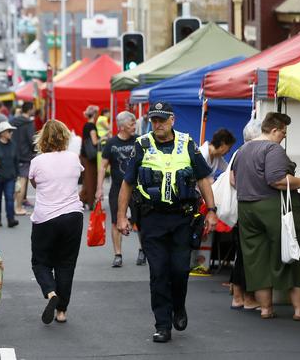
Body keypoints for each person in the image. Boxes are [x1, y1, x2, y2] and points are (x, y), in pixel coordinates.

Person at [116, 102, 217, 343]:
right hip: (152, 219)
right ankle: (162, 324)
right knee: (159, 272)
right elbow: (127, 183)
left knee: (180, 270)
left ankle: (178, 307)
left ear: (172, 120)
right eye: (154, 120)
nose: (157, 124)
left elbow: (203, 178)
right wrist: (121, 216)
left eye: (162, 119)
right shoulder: (142, 145)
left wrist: (211, 210)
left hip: (182, 218)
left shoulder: (187, 143)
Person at [232, 112, 300, 321]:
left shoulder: (242, 150)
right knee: (293, 253)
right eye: (283, 133)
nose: (283, 137)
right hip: (274, 207)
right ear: (274, 130)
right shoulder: (272, 148)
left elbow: (233, 180)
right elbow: (277, 180)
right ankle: (299, 310)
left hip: (246, 209)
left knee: (256, 259)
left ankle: (266, 309)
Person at [29, 120, 84, 324]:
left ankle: (51, 293)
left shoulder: (37, 161)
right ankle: (62, 311)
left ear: (42, 139)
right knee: (66, 264)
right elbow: (78, 175)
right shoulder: (73, 158)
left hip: (46, 218)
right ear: (65, 137)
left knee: (41, 262)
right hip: (72, 215)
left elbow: (34, 184)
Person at [95, 111, 146, 267]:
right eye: (131, 124)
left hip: (137, 188)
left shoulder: (139, 141)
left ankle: (142, 251)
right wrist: (99, 189)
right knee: (116, 221)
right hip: (117, 188)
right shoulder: (111, 143)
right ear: (122, 126)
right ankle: (118, 254)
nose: (134, 126)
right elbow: (103, 167)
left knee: (141, 221)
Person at [189, 128, 237, 276]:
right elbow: (193, 177)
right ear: (222, 144)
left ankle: (199, 263)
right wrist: (208, 181)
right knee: (194, 231)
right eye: (228, 148)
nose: (227, 152)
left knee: (202, 231)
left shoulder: (217, 158)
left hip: (203, 198)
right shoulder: (201, 153)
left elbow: (228, 169)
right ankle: (192, 263)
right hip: (193, 197)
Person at [229, 118, 261, 310]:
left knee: (241, 255)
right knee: (247, 256)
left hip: (240, 211)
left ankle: (239, 296)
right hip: (247, 210)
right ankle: (246, 298)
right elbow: (234, 180)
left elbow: (233, 179)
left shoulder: (239, 152)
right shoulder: (250, 153)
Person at [10, 102, 36, 216]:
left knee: (16, 181)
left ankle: (14, 205)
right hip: (25, 155)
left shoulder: (13, 122)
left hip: (13, 153)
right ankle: (18, 207)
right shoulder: (29, 123)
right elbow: (32, 140)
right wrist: (35, 150)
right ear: (29, 110)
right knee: (23, 181)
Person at [79, 105, 99, 209]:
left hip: (84, 155)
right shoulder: (92, 126)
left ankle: (83, 199)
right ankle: (91, 202)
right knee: (91, 179)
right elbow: (95, 141)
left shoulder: (86, 125)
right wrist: (104, 138)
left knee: (86, 180)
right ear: (95, 114)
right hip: (90, 156)